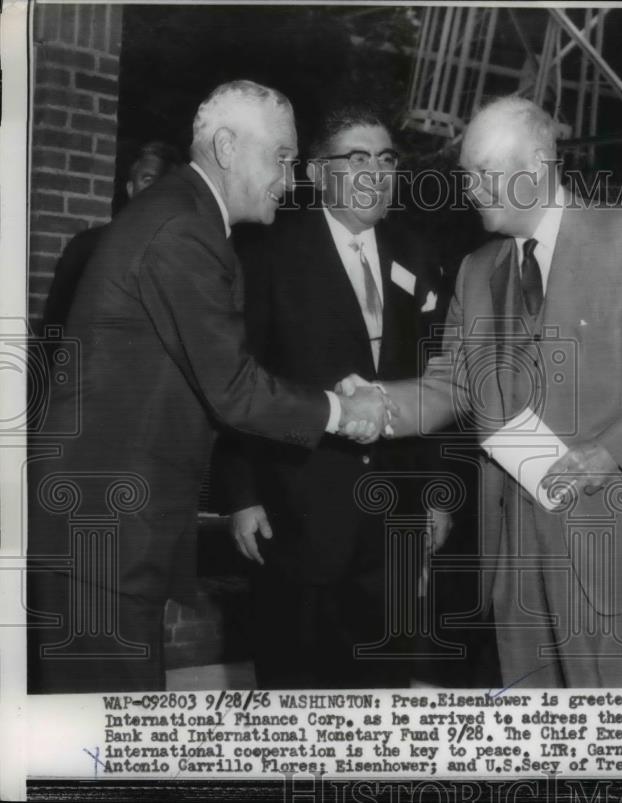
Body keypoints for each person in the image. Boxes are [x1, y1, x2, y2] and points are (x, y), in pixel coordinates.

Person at [27, 81, 391, 693]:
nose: (291, 177)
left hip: (107, 523)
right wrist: (340, 408)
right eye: (280, 157)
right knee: (105, 735)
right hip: (103, 530)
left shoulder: (185, 218)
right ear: (226, 147)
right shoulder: (183, 230)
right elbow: (233, 388)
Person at [345, 96, 622, 687]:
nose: (471, 189)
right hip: (513, 562)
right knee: (535, 753)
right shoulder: (476, 269)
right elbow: (451, 384)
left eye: (486, 173)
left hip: (609, 555)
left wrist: (609, 453)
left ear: (537, 164)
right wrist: (377, 404)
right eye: (468, 175)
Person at [217, 106, 447, 688]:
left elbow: (436, 379)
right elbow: (238, 379)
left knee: (384, 689)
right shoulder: (267, 252)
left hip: (395, 511)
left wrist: (438, 495)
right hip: (298, 509)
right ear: (319, 174)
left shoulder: (416, 254)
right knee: (297, 684)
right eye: (358, 158)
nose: (377, 171)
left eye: (387, 158)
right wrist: (241, 495)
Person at [41, 141, 180, 330]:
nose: (157, 190)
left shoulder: (183, 257)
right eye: (148, 179)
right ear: (131, 189)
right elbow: (55, 325)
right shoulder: (87, 247)